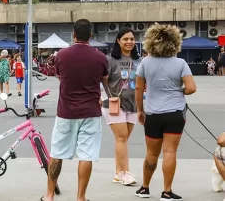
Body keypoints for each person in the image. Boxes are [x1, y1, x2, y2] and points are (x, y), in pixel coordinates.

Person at [40, 19, 108, 201]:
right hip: (91, 112)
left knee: (56, 154)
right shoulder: (101, 57)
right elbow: (105, 82)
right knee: (87, 155)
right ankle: (81, 197)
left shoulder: (61, 55)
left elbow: (58, 76)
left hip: (66, 112)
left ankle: (49, 195)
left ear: (74, 34)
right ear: (91, 36)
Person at [135, 23, 196, 200]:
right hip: (175, 113)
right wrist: (179, 91)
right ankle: (166, 191)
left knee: (151, 153)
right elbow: (191, 88)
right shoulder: (180, 63)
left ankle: (145, 188)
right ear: (175, 42)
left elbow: (139, 89)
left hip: (153, 114)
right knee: (170, 152)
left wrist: (140, 110)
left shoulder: (145, 62)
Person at [101, 28, 141, 186]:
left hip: (133, 103)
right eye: (125, 39)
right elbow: (102, 81)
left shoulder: (139, 60)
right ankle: (125, 173)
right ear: (118, 41)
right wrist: (104, 97)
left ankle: (118, 172)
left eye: (132, 39)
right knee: (121, 137)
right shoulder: (110, 60)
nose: (129, 42)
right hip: (114, 103)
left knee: (123, 139)